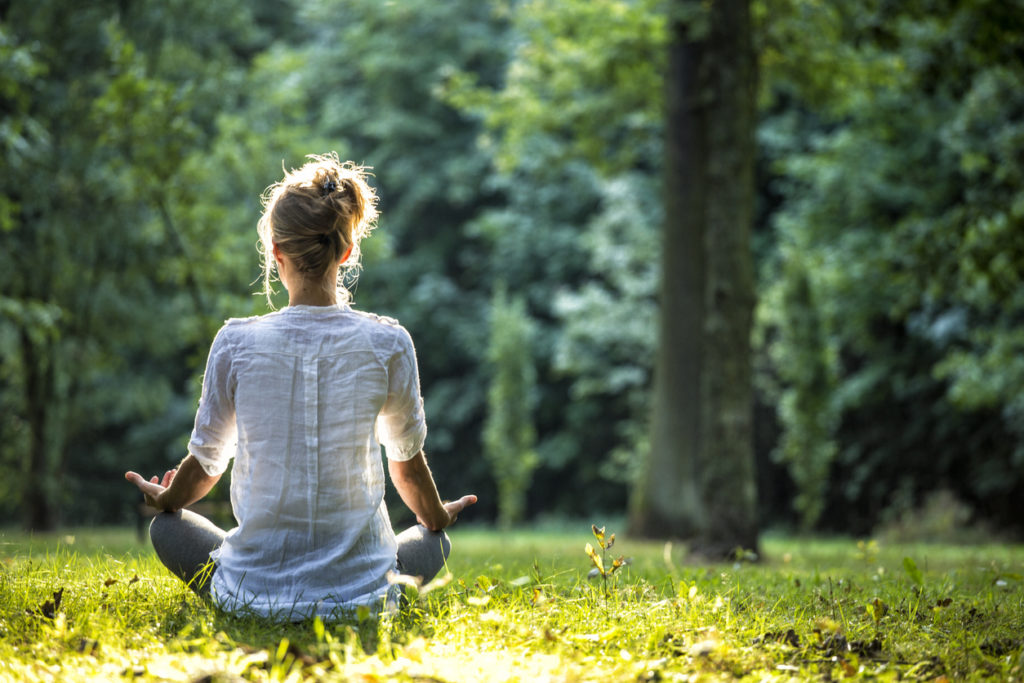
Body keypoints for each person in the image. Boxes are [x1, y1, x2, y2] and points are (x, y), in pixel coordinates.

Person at [125, 153, 476, 620]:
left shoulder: (235, 342)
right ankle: (366, 584)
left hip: (252, 594)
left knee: (166, 531)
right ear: (346, 252)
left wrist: (167, 498)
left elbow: (207, 466)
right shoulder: (389, 342)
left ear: (276, 253)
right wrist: (436, 517)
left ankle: (248, 597)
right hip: (363, 600)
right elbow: (407, 468)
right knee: (436, 541)